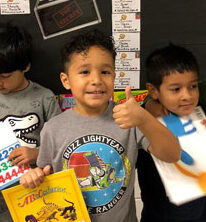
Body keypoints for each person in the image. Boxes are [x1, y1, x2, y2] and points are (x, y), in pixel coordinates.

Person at [20, 29, 180, 222]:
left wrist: (144, 118)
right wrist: (34, 177)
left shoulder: (129, 118)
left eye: (105, 72)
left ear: (114, 76)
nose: (96, 80)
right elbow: (46, 182)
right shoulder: (52, 130)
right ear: (66, 80)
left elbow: (172, 154)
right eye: (84, 72)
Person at [136, 44, 206, 222]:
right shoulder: (143, 122)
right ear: (153, 90)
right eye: (176, 89)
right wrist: (148, 106)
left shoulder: (201, 114)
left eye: (193, 86)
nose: (187, 96)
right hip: (159, 217)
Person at [0, 22, 61, 221]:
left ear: (25, 66)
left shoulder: (45, 98)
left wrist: (36, 154)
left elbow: (62, 145)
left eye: (5, 76)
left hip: (34, 192)